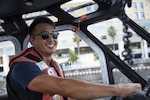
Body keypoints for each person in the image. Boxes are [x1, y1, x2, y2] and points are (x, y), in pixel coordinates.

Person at [6, 17, 142, 100]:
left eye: (54, 35)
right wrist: (118, 89)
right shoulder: (22, 68)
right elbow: (63, 87)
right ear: (32, 41)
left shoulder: (52, 66)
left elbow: (65, 95)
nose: (51, 39)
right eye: (45, 35)